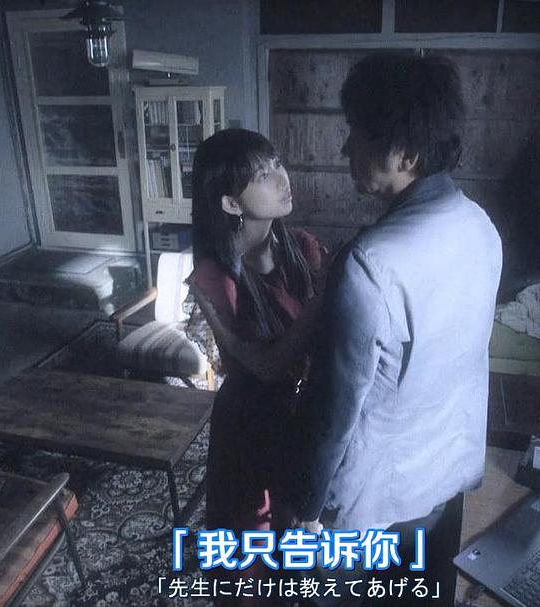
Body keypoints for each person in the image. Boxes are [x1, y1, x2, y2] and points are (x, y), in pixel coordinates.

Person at [289, 51, 503, 602]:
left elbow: (334, 412)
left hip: (374, 500)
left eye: (357, 134)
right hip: (444, 475)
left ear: (406, 153)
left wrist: (305, 508)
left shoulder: (370, 264)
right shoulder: (480, 226)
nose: (345, 148)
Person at [185, 128, 327, 605]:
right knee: (252, 554)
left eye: (278, 163)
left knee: (298, 541)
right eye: (263, 174)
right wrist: (323, 299)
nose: (282, 178)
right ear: (230, 203)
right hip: (251, 423)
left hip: (303, 414)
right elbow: (266, 367)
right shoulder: (215, 275)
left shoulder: (301, 247)